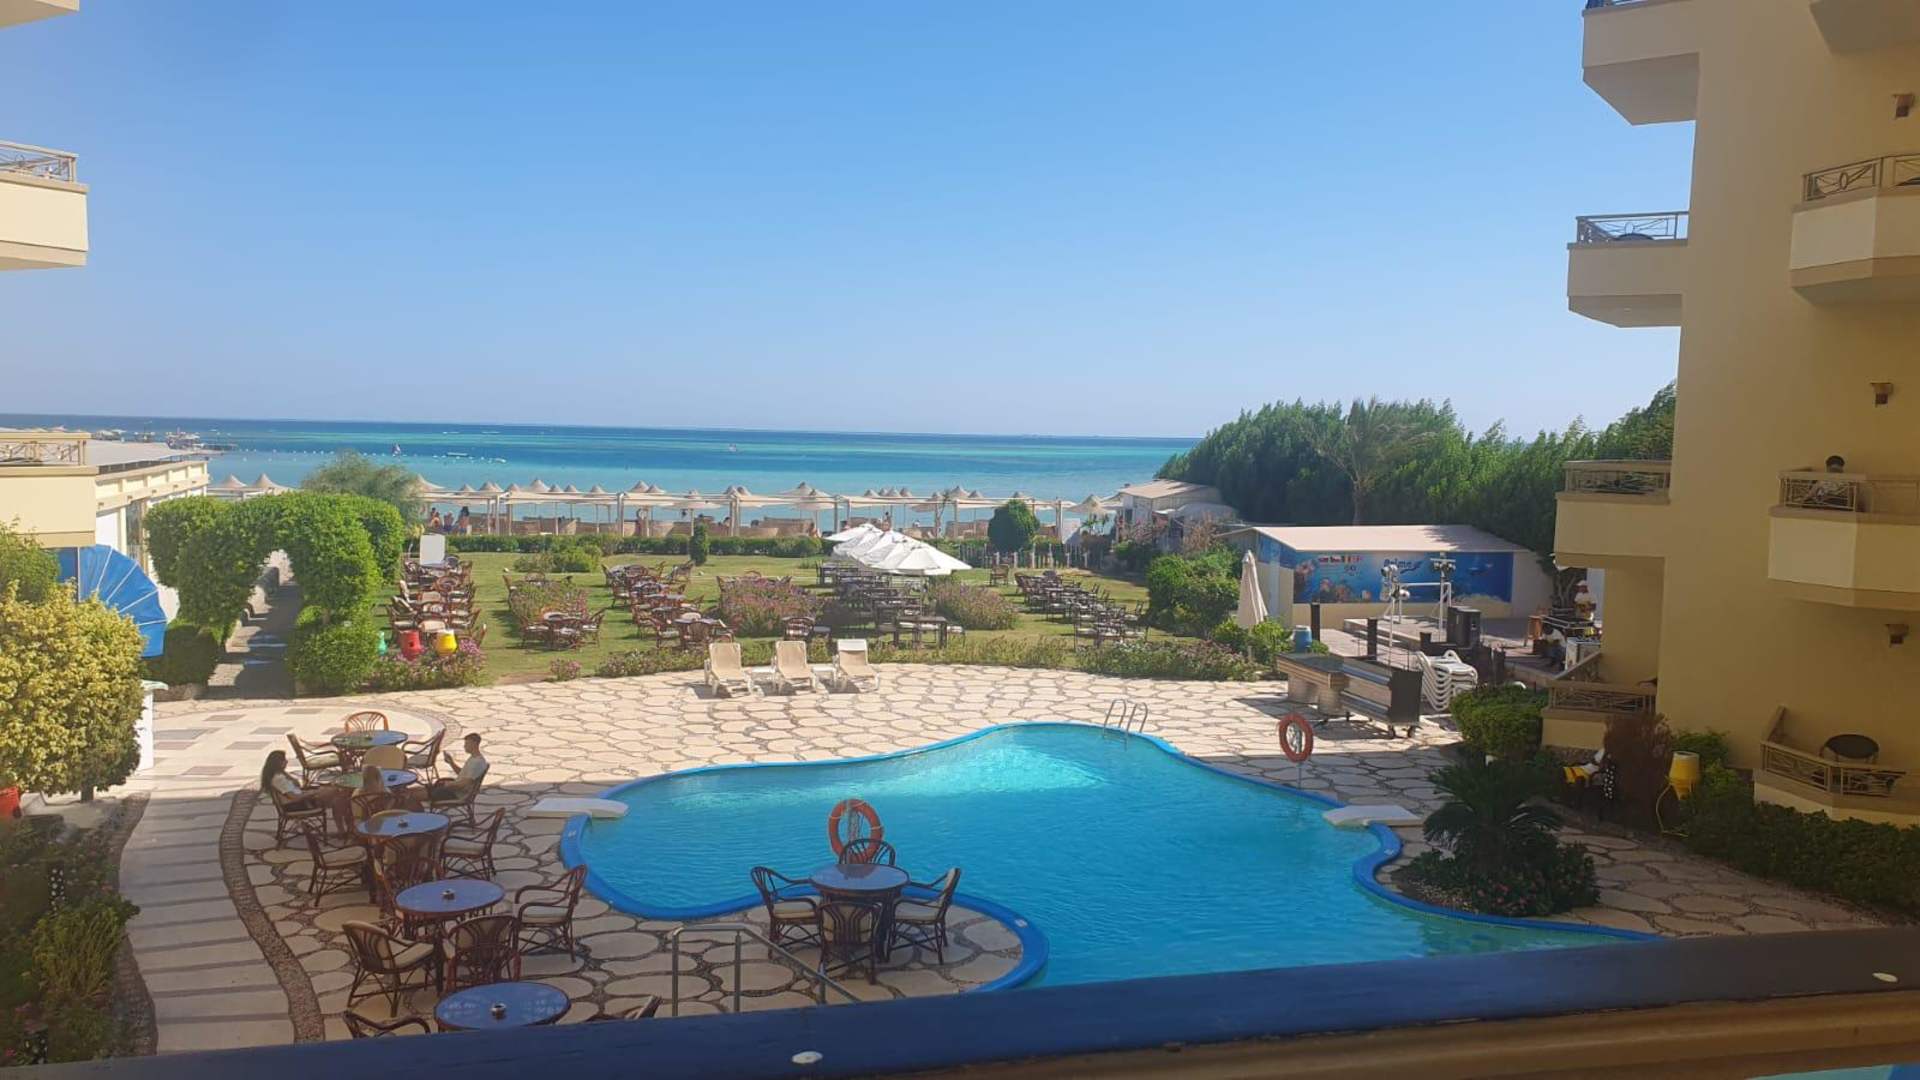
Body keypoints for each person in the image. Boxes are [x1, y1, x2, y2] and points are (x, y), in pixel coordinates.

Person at [260, 750, 351, 834]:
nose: (287, 762)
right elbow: (295, 797)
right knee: (338, 794)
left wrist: (287, 774)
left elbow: (296, 787)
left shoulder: (278, 775)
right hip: (297, 805)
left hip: (300, 800)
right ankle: (347, 828)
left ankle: (343, 830)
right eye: (284, 760)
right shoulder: (279, 779)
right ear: (278, 763)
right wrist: (313, 793)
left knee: (338, 798)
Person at [430, 732, 489, 805]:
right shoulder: (474, 758)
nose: (464, 746)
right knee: (433, 786)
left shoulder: (477, 763)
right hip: (456, 789)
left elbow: (464, 784)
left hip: (457, 794)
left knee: (422, 794)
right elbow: (462, 774)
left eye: (467, 744)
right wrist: (451, 762)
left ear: (474, 744)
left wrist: (449, 784)